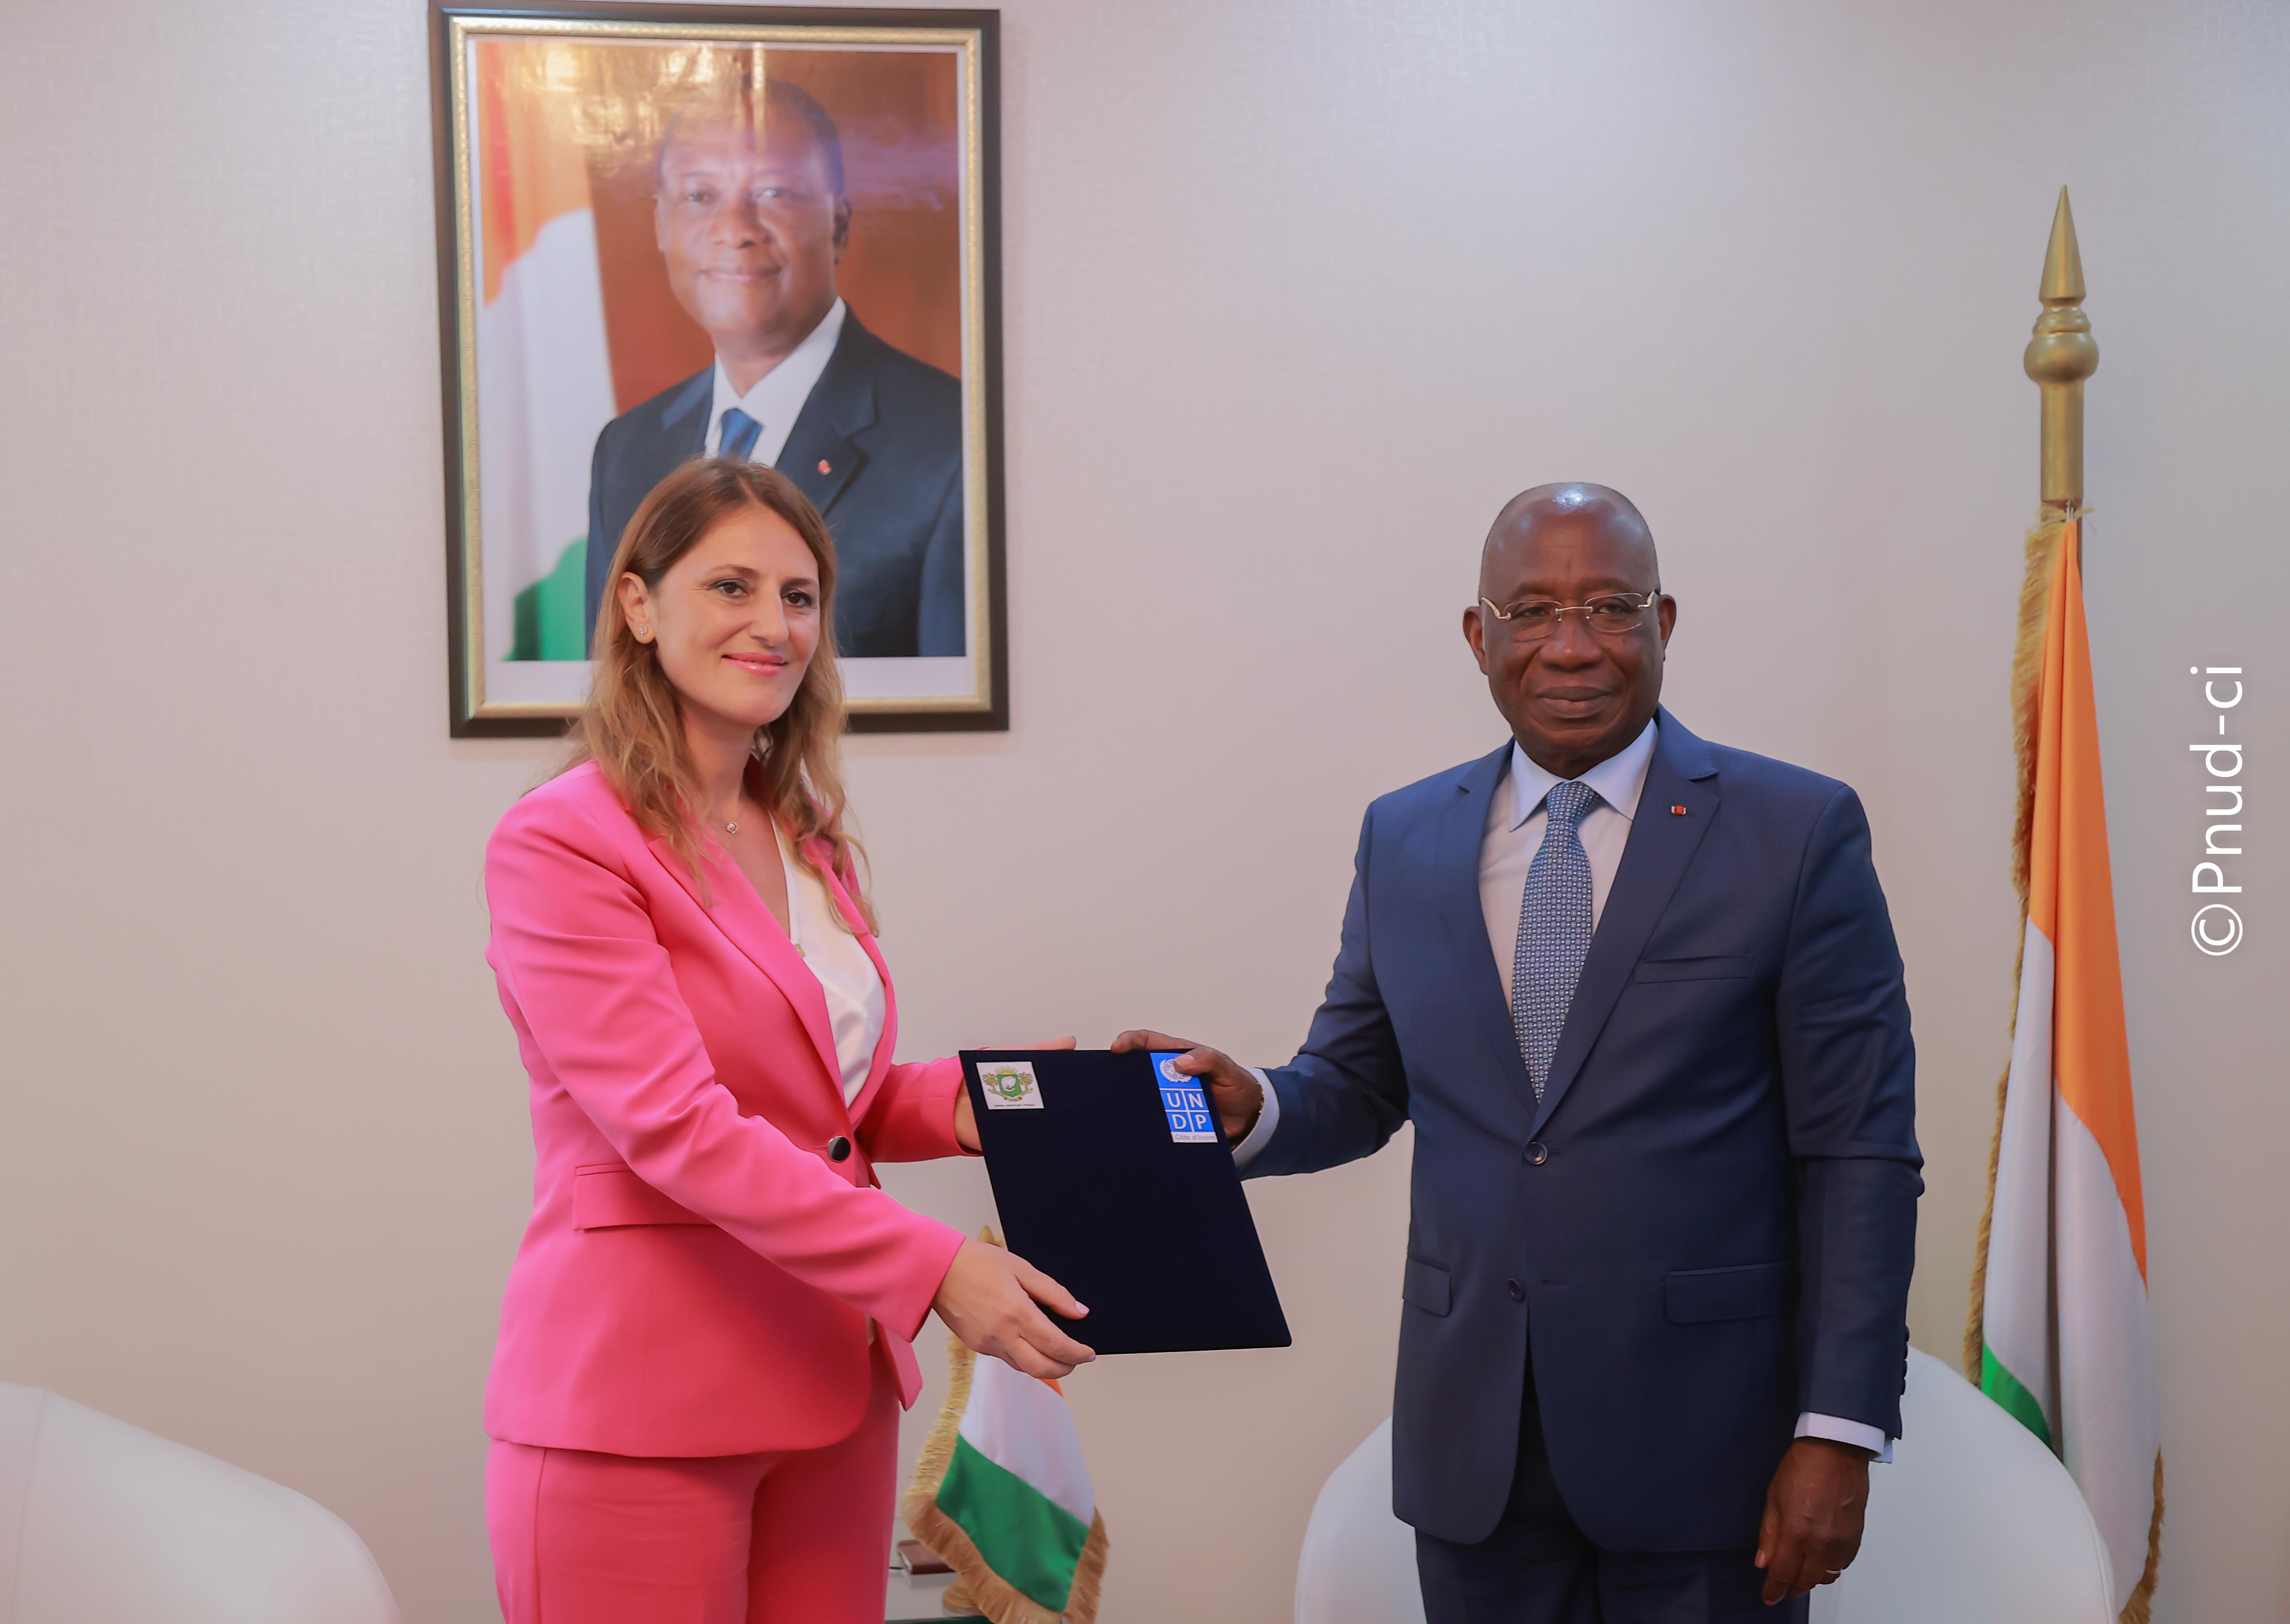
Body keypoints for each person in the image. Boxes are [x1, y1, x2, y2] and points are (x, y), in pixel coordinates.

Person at [1116, 484, 1922, 1624]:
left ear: (1665, 621)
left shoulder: (1795, 832)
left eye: (1608, 607)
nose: (1572, 647)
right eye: (1533, 611)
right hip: (1475, 1455)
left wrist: (1838, 1430)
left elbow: (1861, 1154)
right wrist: (1259, 1107)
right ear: (1478, 633)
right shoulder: (1405, 835)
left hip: (1710, 1455)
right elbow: (1357, 1081)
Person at [484, 458, 1087, 1622]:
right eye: (731, 587)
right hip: (640, 1412)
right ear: (640, 605)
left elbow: (822, 1105)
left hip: (829, 1388)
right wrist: (935, 1268)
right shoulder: (564, 843)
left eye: (800, 596)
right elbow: (677, 1125)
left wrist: (991, 1102)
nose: (774, 625)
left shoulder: (802, 833)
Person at [582, 78, 965, 662]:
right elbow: (612, 691)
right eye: (699, 196)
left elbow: (961, 720)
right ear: (661, 224)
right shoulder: (626, 450)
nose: (736, 229)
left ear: (838, 224)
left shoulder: (954, 441)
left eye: (774, 192)